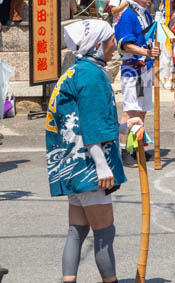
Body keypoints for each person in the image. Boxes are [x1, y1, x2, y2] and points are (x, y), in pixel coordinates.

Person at [47, 20, 144, 283]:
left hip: (72, 163)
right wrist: (102, 166)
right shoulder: (92, 74)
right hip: (89, 166)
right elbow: (91, 126)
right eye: (111, 40)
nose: (115, 45)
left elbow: (85, 119)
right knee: (104, 233)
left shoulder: (74, 71)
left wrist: (123, 127)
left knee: (76, 232)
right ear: (99, 44)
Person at [113, 0, 159, 168]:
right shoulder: (128, 16)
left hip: (145, 67)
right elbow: (125, 44)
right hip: (132, 67)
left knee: (142, 108)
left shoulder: (145, 13)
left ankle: (136, 146)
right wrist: (147, 52)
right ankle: (124, 150)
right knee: (130, 110)